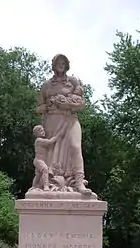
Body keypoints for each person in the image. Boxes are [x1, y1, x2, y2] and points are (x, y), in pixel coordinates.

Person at [36, 54, 91, 194]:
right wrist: (49, 104)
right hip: (52, 121)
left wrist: (66, 104)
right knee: (51, 152)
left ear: (67, 65)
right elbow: (38, 108)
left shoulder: (73, 81)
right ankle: (50, 182)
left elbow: (81, 104)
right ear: (54, 65)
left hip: (70, 119)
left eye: (63, 62)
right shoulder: (46, 85)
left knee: (75, 147)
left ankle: (79, 183)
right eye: (58, 62)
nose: (61, 64)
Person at [31, 125, 59, 191]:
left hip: (40, 160)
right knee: (45, 170)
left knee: (38, 174)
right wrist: (57, 136)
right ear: (36, 133)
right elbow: (49, 142)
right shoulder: (39, 140)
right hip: (39, 160)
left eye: (43, 130)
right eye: (41, 131)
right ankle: (46, 186)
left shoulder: (41, 140)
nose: (43, 132)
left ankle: (34, 186)